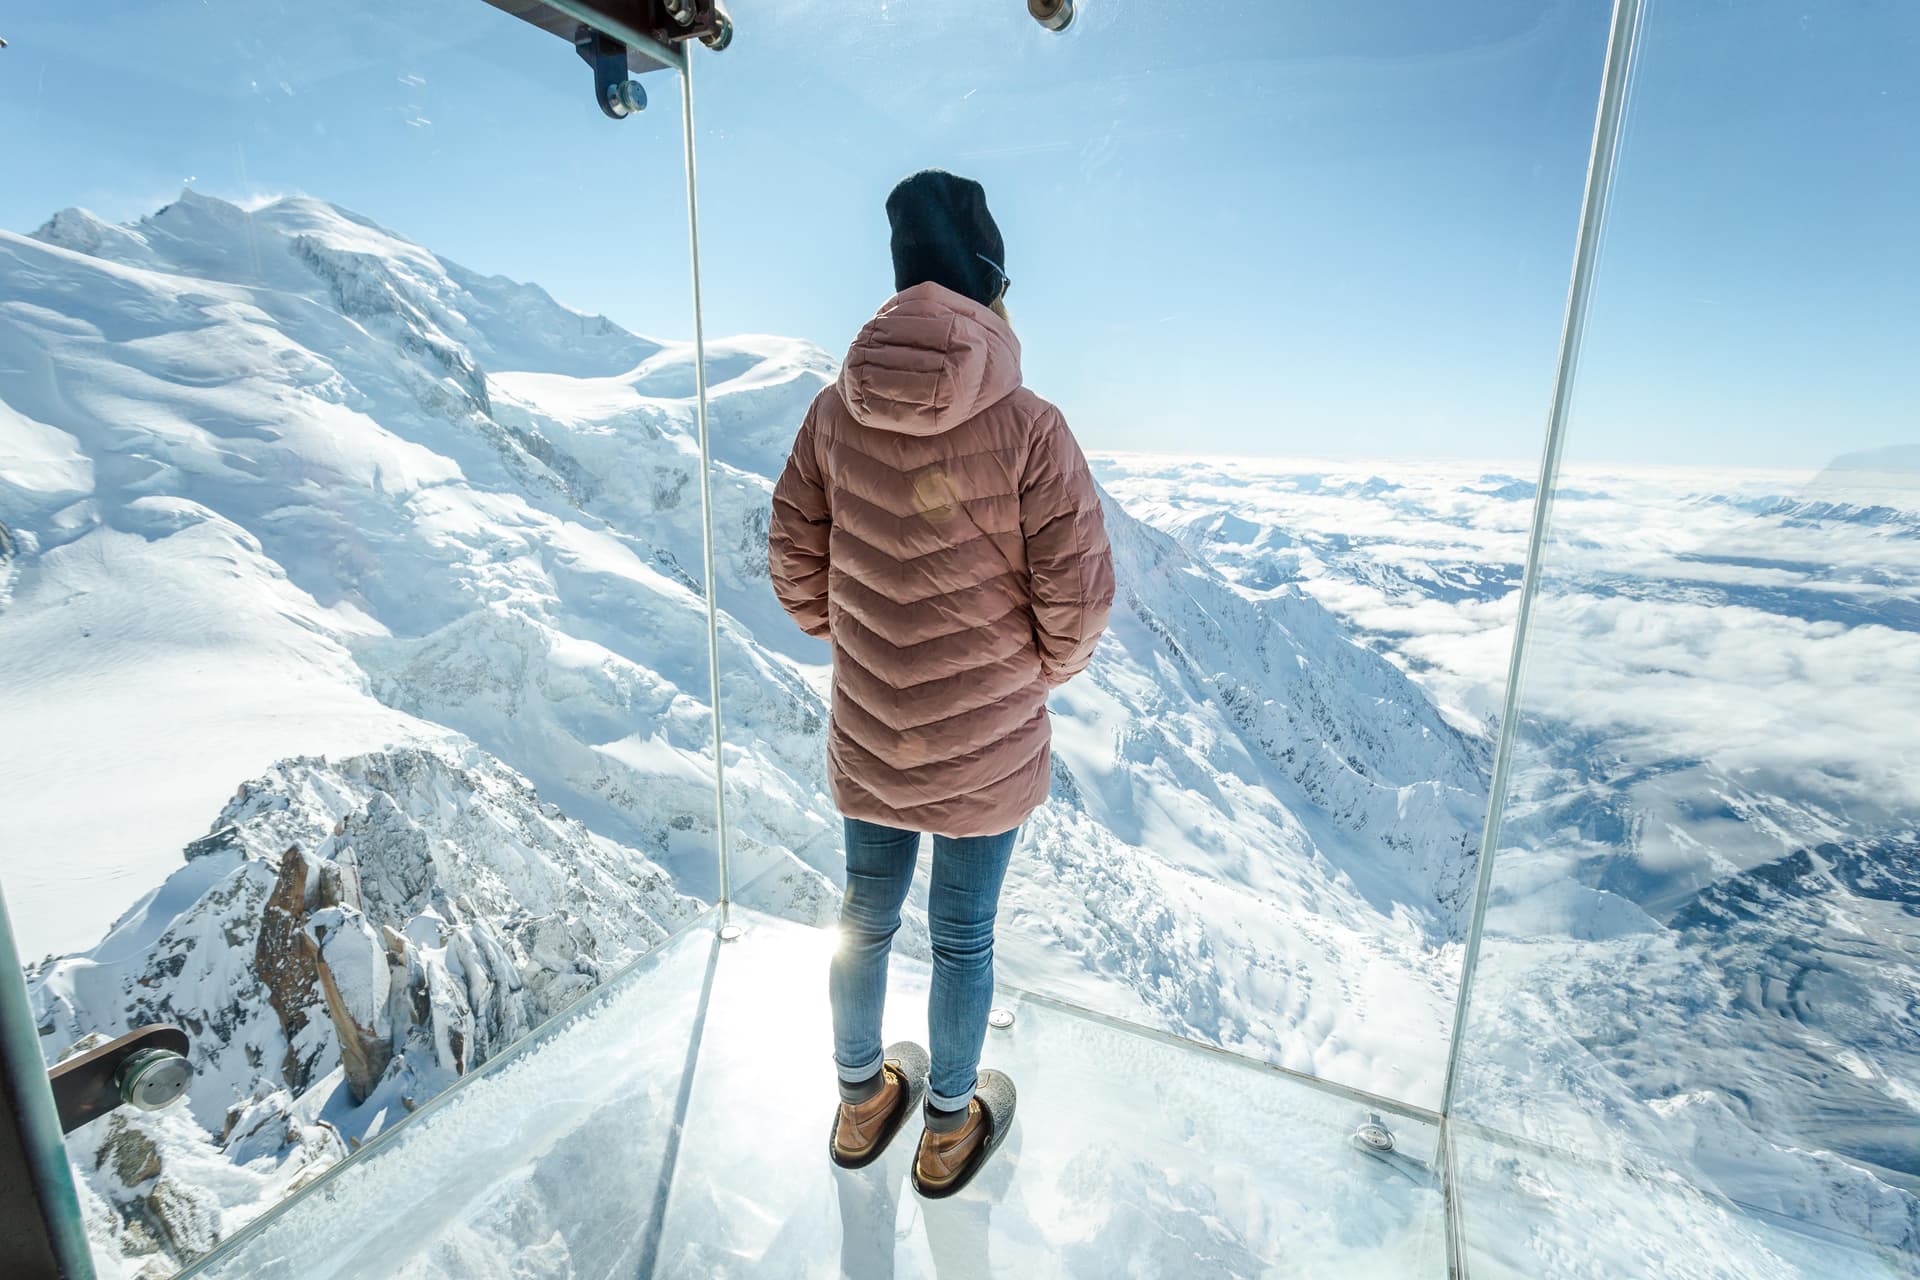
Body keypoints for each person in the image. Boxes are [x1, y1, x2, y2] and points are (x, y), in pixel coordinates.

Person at [768, 168, 1115, 1198]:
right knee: (962, 934)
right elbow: (1080, 597)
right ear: (990, 283)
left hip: (874, 725)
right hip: (988, 736)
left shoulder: (836, 413)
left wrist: (863, 641)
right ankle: (949, 1126)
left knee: (864, 913)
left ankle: (860, 1096)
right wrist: (1027, 676)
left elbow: (792, 559)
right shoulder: (1032, 425)